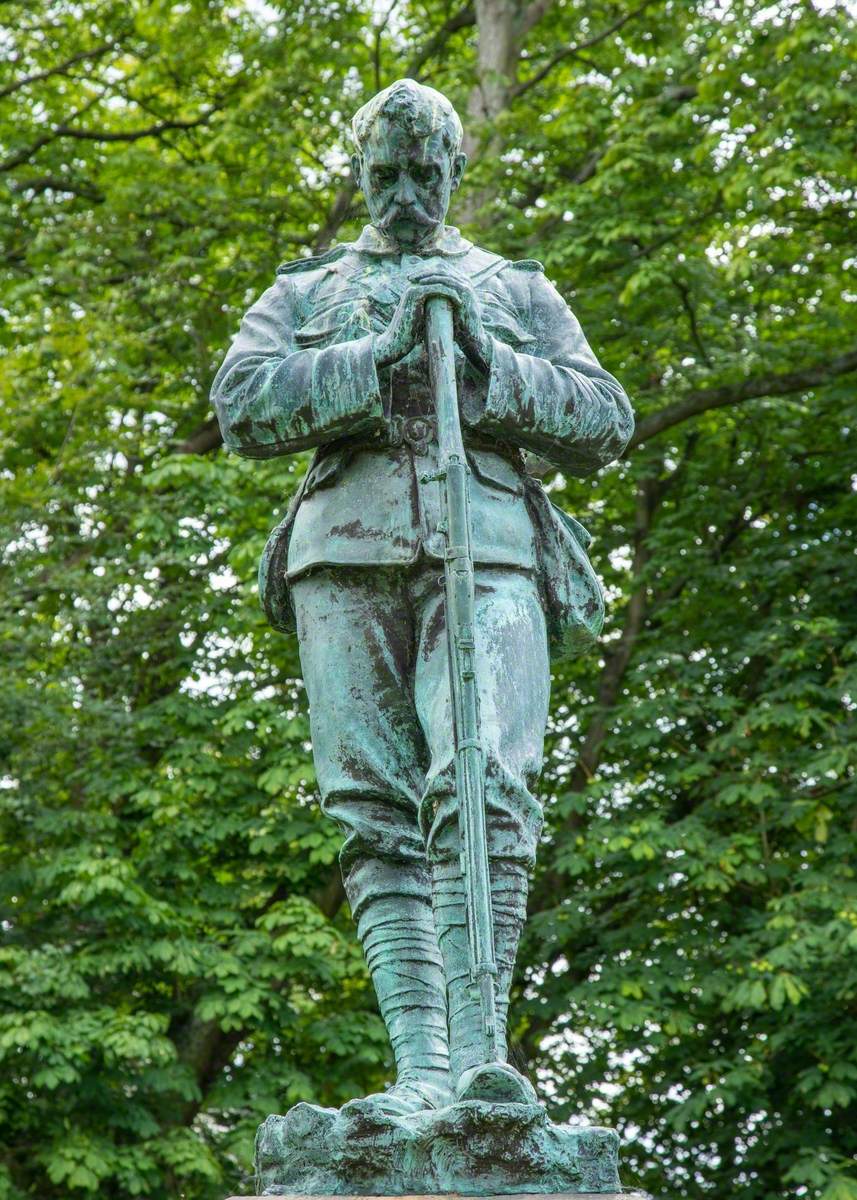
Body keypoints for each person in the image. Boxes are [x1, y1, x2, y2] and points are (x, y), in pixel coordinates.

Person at [211, 78, 634, 1117]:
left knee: (484, 782)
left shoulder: (515, 287)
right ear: (359, 175)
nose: (403, 193)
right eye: (383, 173)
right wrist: (372, 358)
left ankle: (485, 1059)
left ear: (453, 172)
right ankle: (423, 1071)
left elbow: (605, 416)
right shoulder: (304, 292)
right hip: (341, 554)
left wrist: (495, 372)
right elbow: (240, 406)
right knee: (373, 812)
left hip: (487, 550)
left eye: (423, 173)